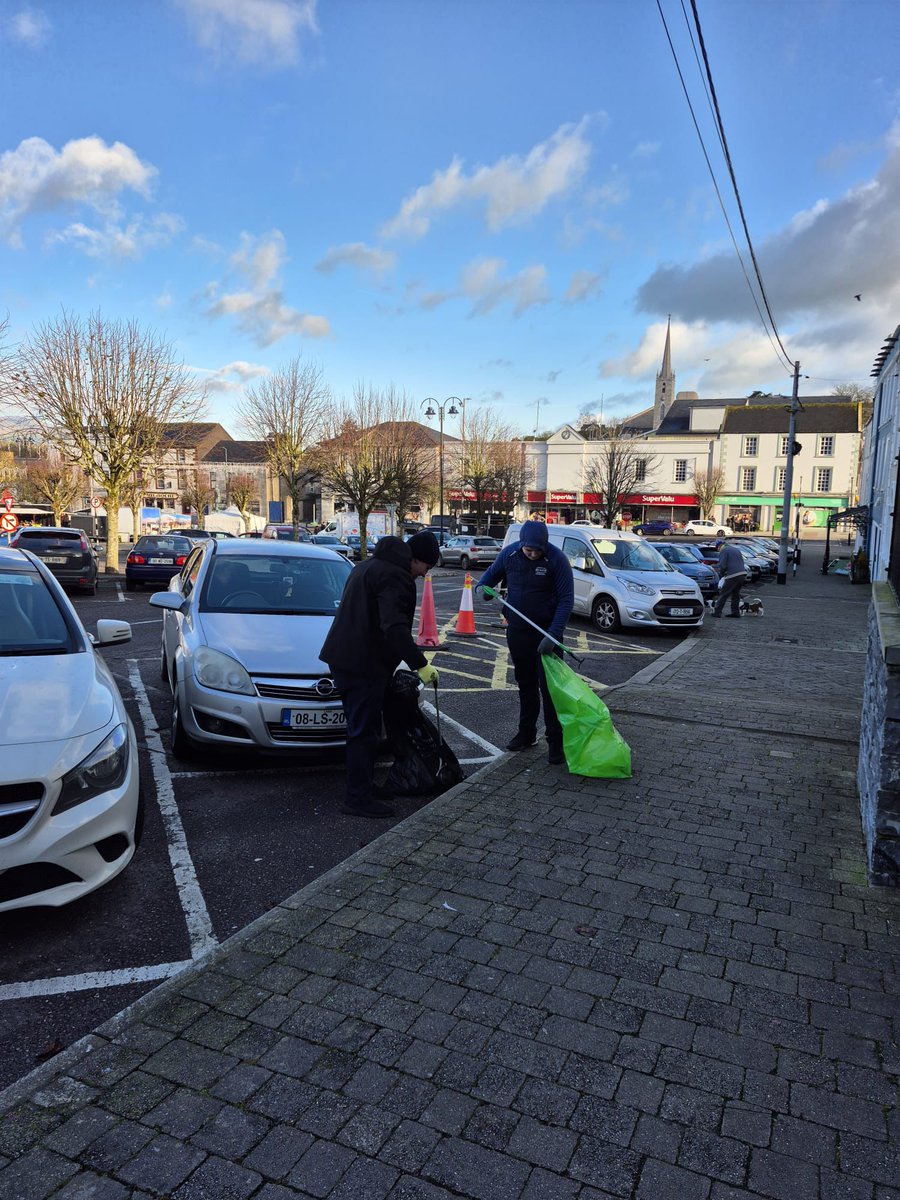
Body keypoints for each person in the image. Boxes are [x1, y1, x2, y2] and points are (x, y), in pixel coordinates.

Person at [321, 530, 441, 818]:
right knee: (364, 732)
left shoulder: (369, 565)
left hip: (348, 658)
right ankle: (357, 798)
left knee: (362, 728)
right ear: (415, 560)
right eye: (426, 568)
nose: (424, 575)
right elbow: (394, 627)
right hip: (363, 663)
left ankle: (362, 786)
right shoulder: (395, 576)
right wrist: (420, 663)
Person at [477, 520, 574, 765]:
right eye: (528, 550)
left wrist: (552, 635)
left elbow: (566, 600)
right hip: (518, 632)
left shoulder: (557, 560)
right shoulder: (509, 555)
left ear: (544, 545)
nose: (532, 554)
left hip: (546, 635)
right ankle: (527, 733)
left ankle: (555, 741)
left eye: (536, 550)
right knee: (526, 684)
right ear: (521, 544)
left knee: (550, 690)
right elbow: (487, 579)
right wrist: (482, 590)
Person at [714, 539, 745, 618]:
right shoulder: (735, 550)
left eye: (717, 548)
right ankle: (735, 612)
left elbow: (722, 565)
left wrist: (721, 574)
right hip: (742, 574)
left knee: (724, 594)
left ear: (719, 546)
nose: (717, 550)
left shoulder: (724, 550)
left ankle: (717, 612)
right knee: (736, 594)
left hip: (732, 575)